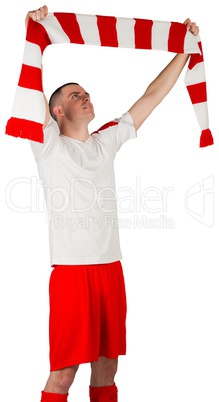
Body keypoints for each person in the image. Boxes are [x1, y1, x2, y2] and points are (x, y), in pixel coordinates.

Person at [25, 5, 199, 402]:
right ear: (57, 111)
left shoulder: (106, 142)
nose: (85, 98)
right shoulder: (48, 145)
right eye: (75, 96)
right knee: (63, 375)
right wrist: (32, 34)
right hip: (71, 276)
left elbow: (151, 96)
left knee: (106, 369)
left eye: (86, 93)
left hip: (110, 271)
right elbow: (33, 85)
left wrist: (184, 52)